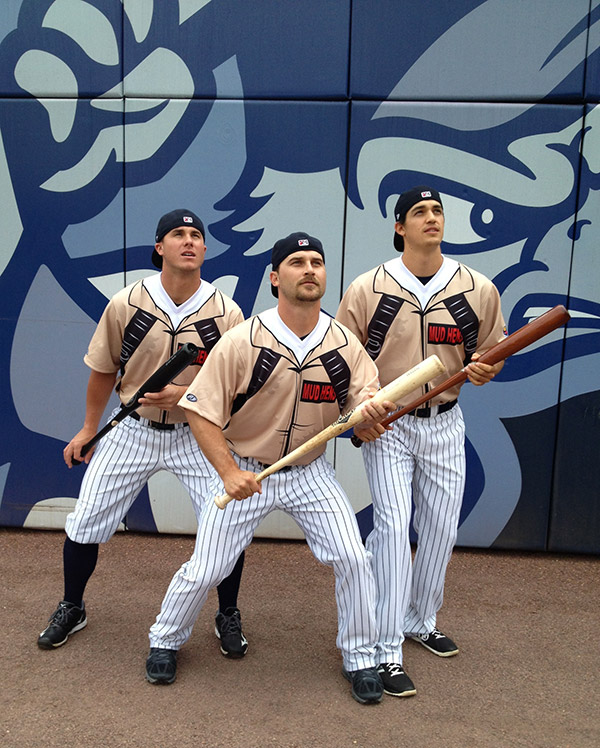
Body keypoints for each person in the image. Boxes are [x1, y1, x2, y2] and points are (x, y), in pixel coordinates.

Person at [144, 232, 395, 705]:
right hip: (246, 466)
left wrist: (368, 414)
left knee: (354, 559)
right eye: (297, 262)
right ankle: (164, 638)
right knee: (207, 568)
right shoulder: (243, 340)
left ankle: (361, 656)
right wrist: (227, 472)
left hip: (309, 473)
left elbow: (363, 401)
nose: (310, 270)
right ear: (276, 278)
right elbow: (200, 410)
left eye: (317, 262)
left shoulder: (344, 344)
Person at [37, 209, 249, 659]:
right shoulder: (127, 302)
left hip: (198, 433)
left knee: (227, 522)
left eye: (196, 236)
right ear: (160, 248)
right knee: (86, 520)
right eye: (178, 235)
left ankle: (227, 613)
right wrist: (89, 427)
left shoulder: (226, 311)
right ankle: (72, 606)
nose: (188, 242)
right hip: (132, 428)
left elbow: (238, 382)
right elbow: (102, 368)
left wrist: (186, 392)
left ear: (205, 250)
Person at [336, 186, 506, 698]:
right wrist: (355, 416)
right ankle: (386, 647)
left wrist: (484, 371)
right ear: (399, 227)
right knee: (390, 529)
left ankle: (418, 618)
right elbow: (341, 359)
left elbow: (493, 352)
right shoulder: (368, 287)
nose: (431, 218)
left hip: (445, 420)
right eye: (419, 212)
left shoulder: (477, 286)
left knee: (440, 528)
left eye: (437, 211)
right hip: (390, 422)